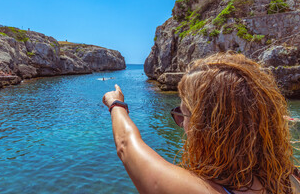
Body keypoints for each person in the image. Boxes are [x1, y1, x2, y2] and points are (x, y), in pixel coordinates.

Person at [102, 52, 300, 194]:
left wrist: (116, 103)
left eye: (182, 114)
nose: (182, 124)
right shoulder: (289, 178)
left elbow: (126, 145)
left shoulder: (195, 189)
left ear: (208, 126)